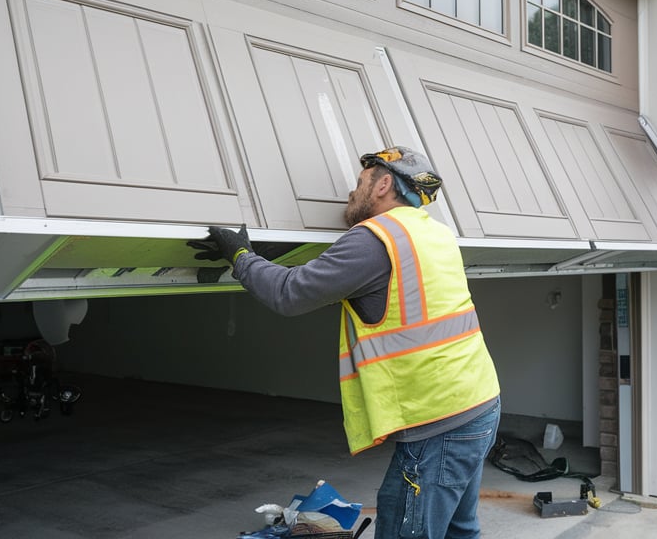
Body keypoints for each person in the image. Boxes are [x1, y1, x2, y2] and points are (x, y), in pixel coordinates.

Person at [191, 146, 502, 539]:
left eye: (359, 185)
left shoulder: (375, 239)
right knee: (461, 531)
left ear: (384, 184)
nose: (351, 195)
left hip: (437, 420)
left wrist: (239, 255)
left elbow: (289, 294)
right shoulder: (433, 233)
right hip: (478, 403)